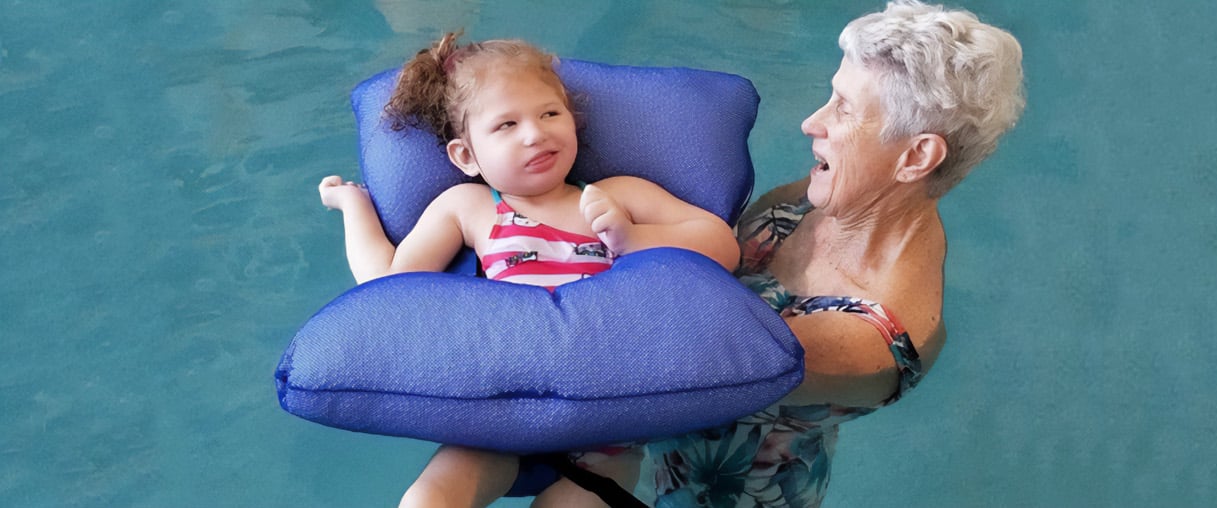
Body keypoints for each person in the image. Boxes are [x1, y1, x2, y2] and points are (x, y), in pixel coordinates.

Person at [318, 33, 739, 508]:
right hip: (502, 419)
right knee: (427, 501)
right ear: (466, 157)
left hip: (609, 427)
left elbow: (722, 244)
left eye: (550, 113)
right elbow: (389, 287)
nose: (535, 134)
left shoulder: (616, 195)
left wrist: (634, 238)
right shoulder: (472, 208)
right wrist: (354, 205)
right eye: (506, 125)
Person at [648, 1, 1025, 506]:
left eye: (844, 109)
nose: (811, 122)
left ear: (916, 157)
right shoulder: (839, 194)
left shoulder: (869, 342)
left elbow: (666, 361)